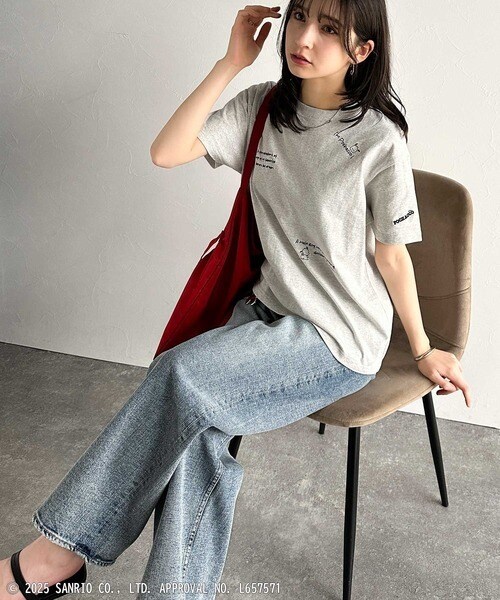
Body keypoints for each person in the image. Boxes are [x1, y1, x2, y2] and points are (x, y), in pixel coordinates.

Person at [1, 1, 473, 599]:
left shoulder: (378, 139)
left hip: (337, 337)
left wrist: (424, 349)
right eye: (300, 16)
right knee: (196, 433)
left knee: (180, 378)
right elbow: (165, 151)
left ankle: (53, 558)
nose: (304, 37)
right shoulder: (263, 109)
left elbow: (393, 257)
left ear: (362, 50)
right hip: (266, 310)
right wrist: (230, 63)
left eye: (330, 29)